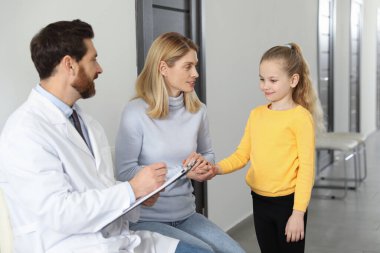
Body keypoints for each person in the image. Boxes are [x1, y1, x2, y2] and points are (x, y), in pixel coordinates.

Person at [0, 20, 213, 253]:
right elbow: (58, 213)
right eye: (93, 59)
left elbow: (102, 189)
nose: (99, 69)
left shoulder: (86, 124)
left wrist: (138, 198)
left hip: (115, 237)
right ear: (69, 65)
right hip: (67, 246)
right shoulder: (25, 131)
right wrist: (132, 191)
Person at [115, 32, 245, 253]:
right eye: (187, 66)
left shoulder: (198, 111)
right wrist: (183, 171)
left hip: (187, 214)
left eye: (195, 65)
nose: (195, 73)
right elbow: (125, 172)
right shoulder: (135, 112)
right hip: (146, 219)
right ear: (163, 68)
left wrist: (204, 165)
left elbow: (208, 153)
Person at [214, 43, 324, 253]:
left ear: (293, 80)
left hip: (288, 205)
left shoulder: (300, 118)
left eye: (273, 80)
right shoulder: (256, 115)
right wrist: (216, 168)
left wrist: (298, 213)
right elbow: (241, 155)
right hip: (260, 201)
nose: (265, 85)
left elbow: (306, 170)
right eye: (262, 79)